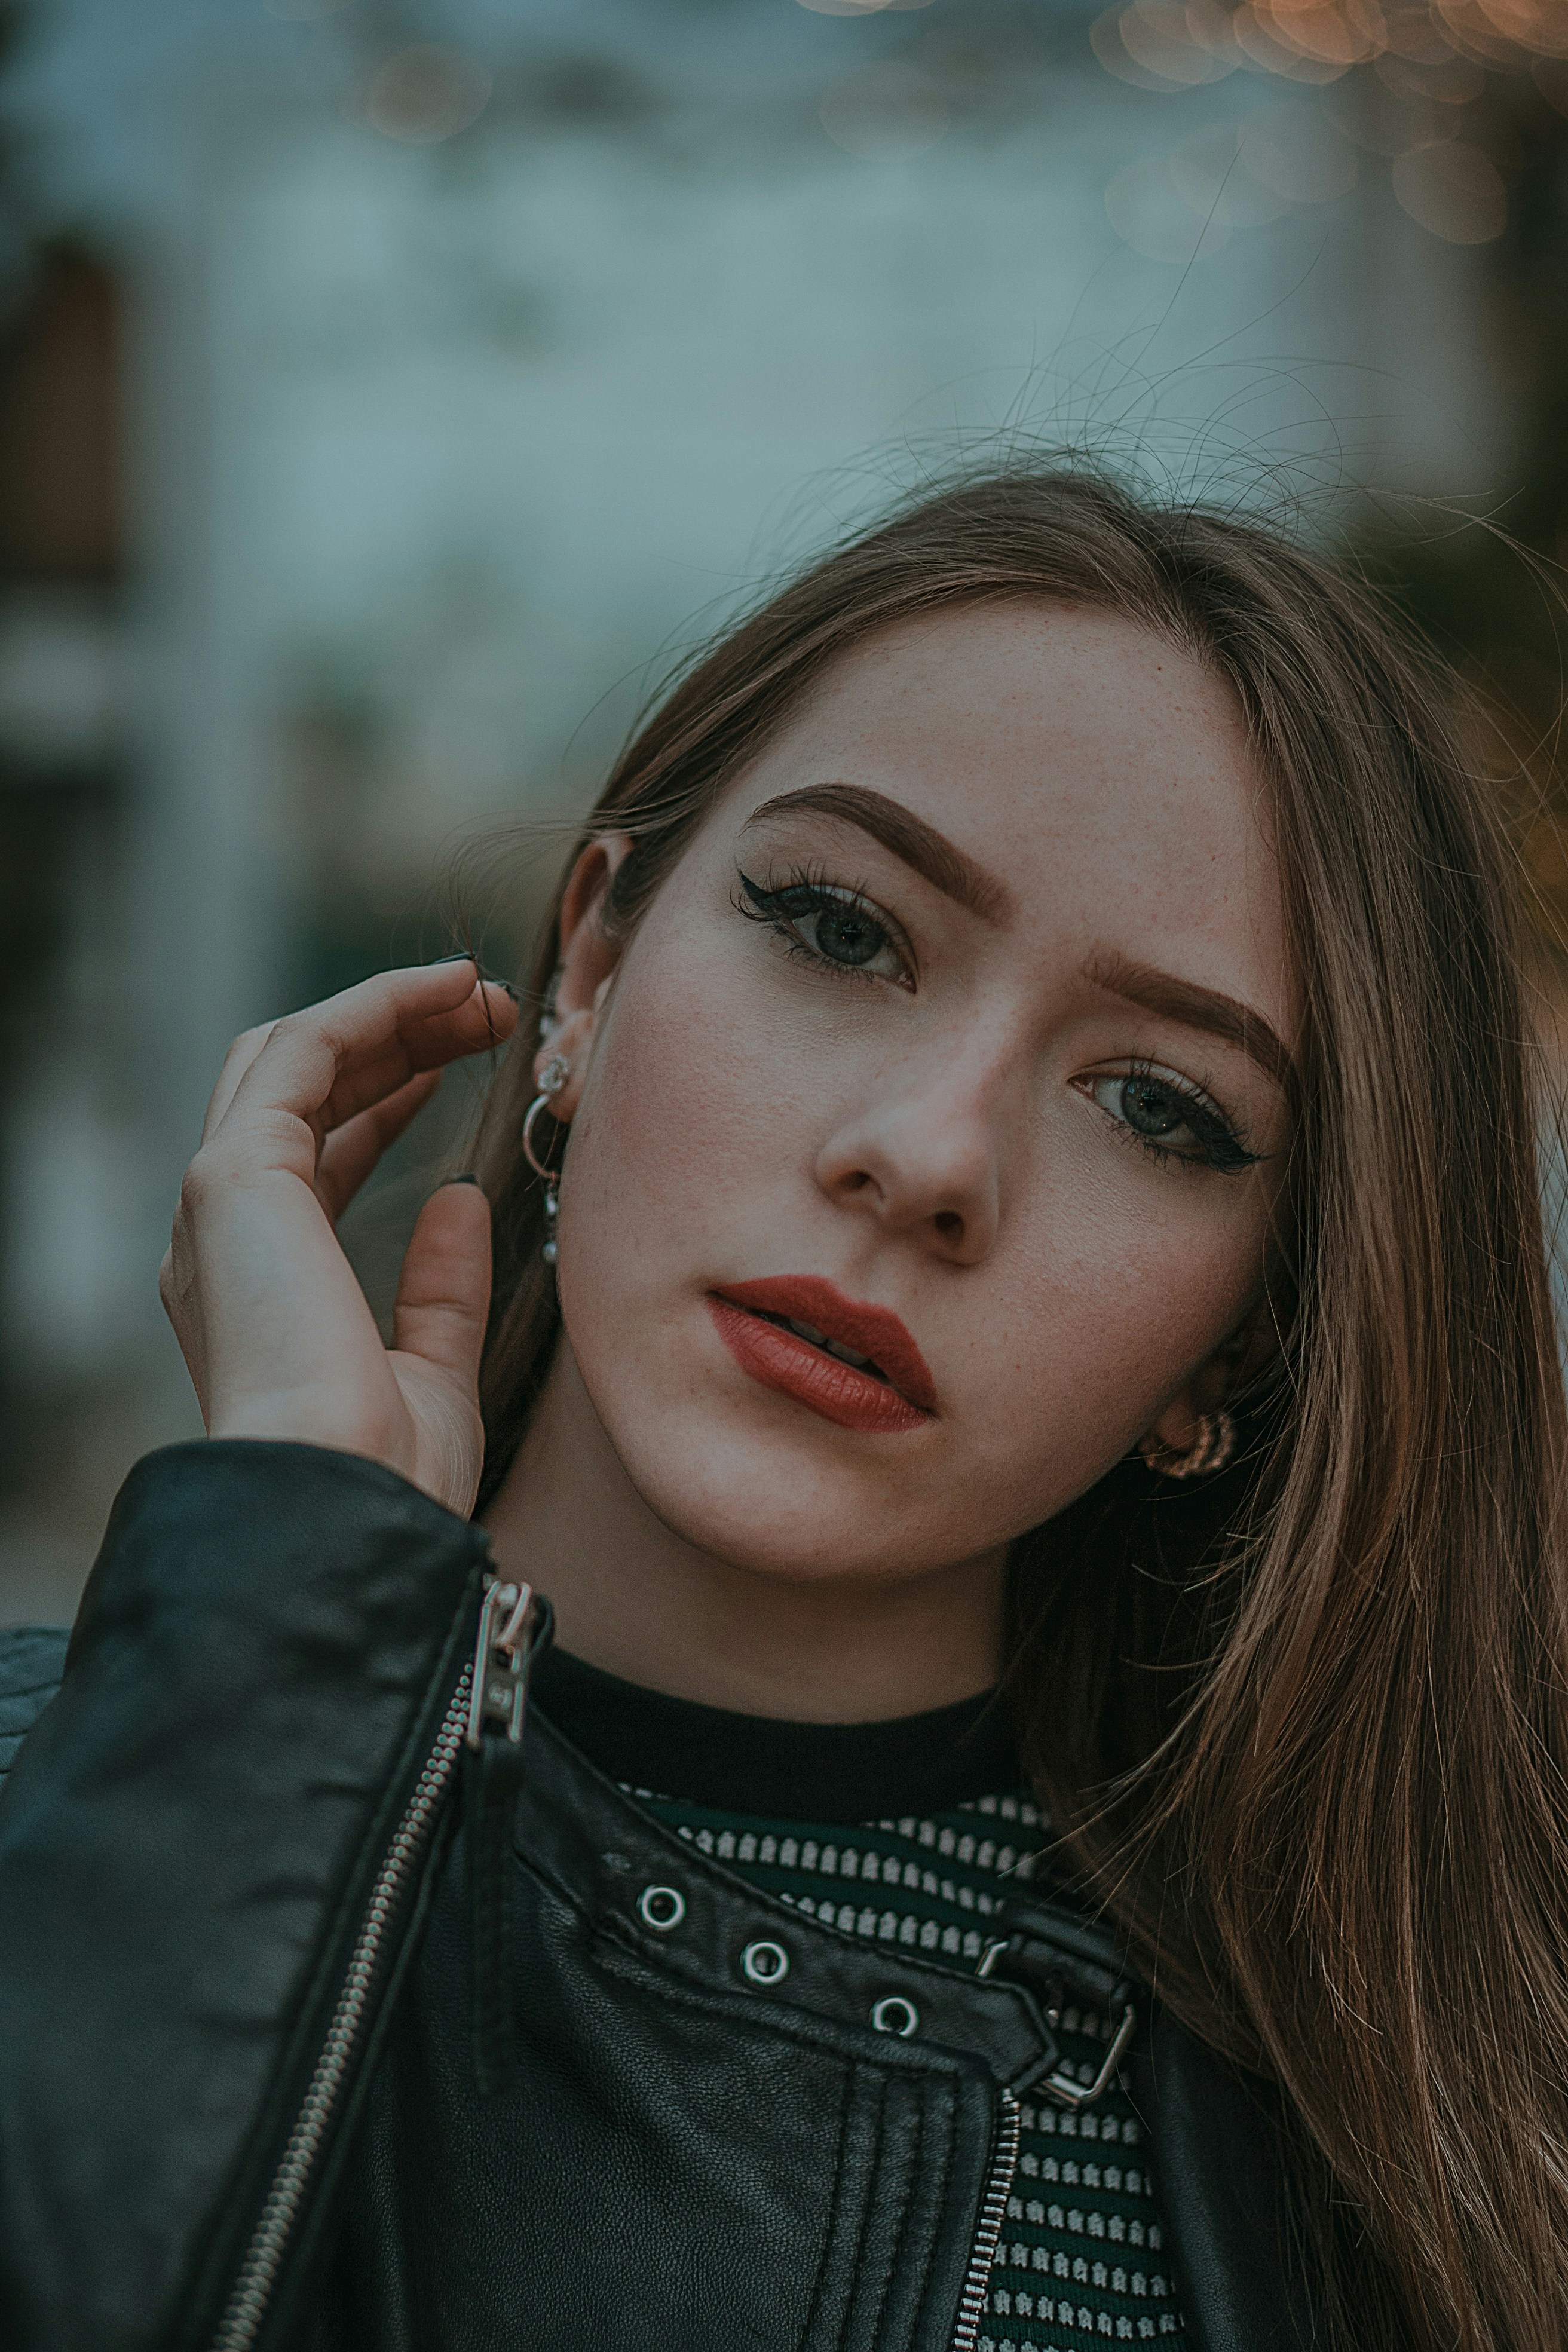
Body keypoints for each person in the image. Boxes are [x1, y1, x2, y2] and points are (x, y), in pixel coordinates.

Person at [1, 467, 1565, 2352]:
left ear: (1242, 1346)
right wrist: (277, 1623)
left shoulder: (1414, 2160)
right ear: (591, 968)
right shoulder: (69, 1797)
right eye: (841, 929)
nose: (929, 1156)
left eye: (1159, 1104)